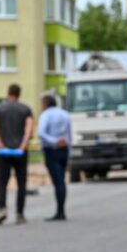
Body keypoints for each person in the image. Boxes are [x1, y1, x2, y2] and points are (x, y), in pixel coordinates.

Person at [0, 83, 34, 225]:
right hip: (20, 152)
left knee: (2, 183)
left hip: (4, 152)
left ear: (8, 93)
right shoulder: (26, 109)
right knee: (21, 184)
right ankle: (20, 214)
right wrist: (23, 146)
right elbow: (29, 130)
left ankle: (2, 209)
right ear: (19, 94)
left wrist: (0, 144)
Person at [37, 92, 73, 222]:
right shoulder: (65, 114)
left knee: (57, 182)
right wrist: (69, 150)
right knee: (61, 180)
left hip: (52, 150)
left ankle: (60, 212)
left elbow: (41, 133)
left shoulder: (45, 115)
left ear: (45, 104)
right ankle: (61, 210)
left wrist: (54, 141)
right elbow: (69, 135)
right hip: (64, 150)